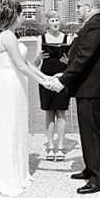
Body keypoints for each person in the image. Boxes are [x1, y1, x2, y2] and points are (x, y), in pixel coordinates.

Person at [0, 0, 53, 197]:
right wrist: (43, 83)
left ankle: (17, 172)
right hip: (9, 85)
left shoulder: (12, 36)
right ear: (14, 16)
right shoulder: (7, 36)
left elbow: (26, 63)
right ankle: (6, 175)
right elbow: (20, 65)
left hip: (18, 85)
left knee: (17, 126)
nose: (23, 18)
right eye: (22, 14)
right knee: (8, 127)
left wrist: (45, 77)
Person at [50, 0, 100, 195]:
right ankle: (90, 168)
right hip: (88, 88)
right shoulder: (94, 24)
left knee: (92, 132)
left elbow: (83, 59)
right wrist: (64, 74)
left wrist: (62, 81)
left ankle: (98, 180)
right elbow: (80, 57)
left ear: (89, 7)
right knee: (87, 132)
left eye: (78, 7)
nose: (77, 10)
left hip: (92, 89)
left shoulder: (95, 26)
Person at [34, 10, 73, 162]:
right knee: (49, 112)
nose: (55, 23)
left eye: (57, 20)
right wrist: (39, 56)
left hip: (62, 78)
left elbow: (73, 62)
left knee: (61, 112)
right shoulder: (41, 38)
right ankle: (50, 146)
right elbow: (36, 63)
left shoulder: (67, 38)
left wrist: (66, 62)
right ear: (47, 22)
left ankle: (61, 146)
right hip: (46, 79)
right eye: (52, 21)